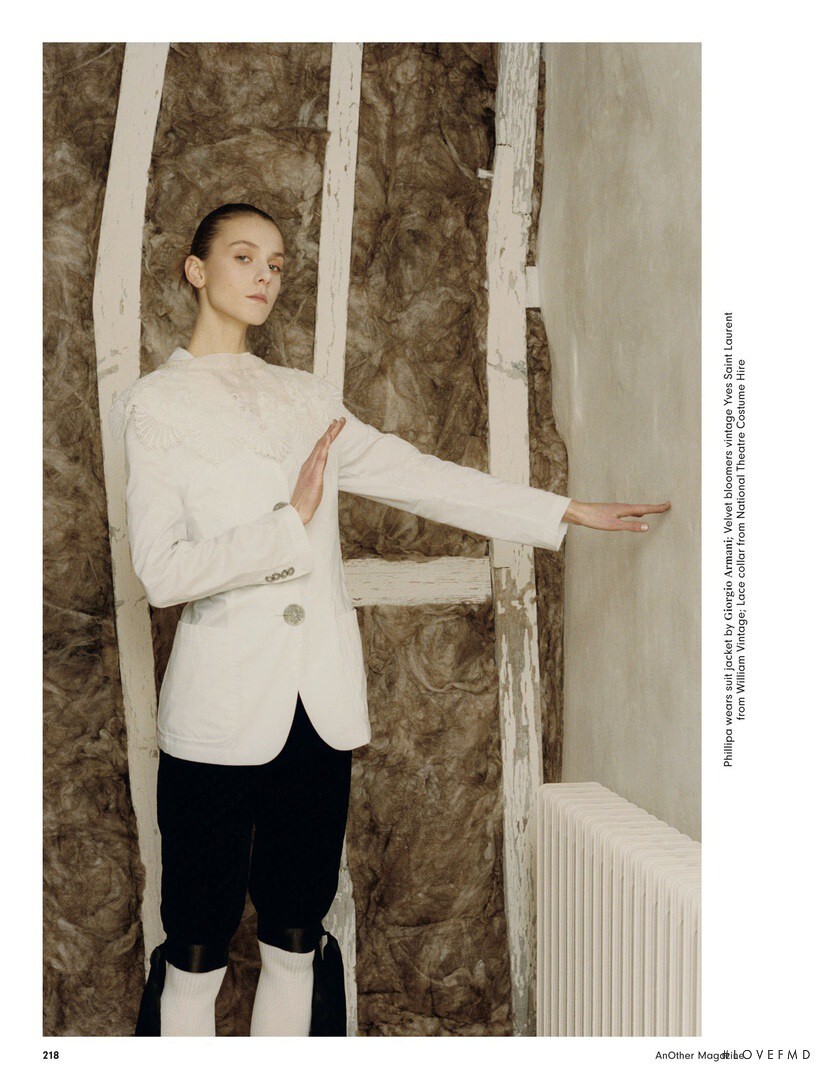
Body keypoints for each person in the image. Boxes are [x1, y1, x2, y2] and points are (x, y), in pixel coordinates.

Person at [110, 202, 671, 1038]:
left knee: (295, 942)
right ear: (197, 270)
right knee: (195, 953)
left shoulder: (303, 396)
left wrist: (562, 510)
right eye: (243, 256)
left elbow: (419, 476)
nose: (264, 275)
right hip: (216, 714)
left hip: (319, 710)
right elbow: (160, 573)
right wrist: (288, 525)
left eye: (276, 263)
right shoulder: (156, 404)